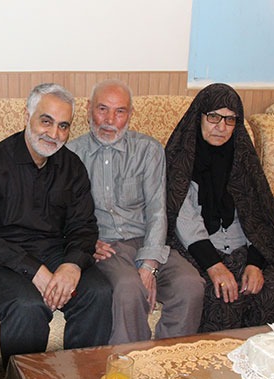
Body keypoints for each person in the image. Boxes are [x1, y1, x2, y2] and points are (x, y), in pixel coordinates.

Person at [0, 83, 112, 367]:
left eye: (63, 126)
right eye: (46, 121)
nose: (54, 134)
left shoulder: (72, 166)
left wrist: (72, 265)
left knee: (98, 293)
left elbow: (84, 226)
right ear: (27, 116)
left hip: (53, 252)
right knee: (28, 306)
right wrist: (34, 270)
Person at [67, 79, 205, 344]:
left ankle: (169, 360)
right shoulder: (71, 155)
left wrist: (150, 264)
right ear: (88, 109)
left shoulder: (149, 150)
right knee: (128, 289)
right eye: (102, 109)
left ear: (131, 114)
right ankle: (130, 363)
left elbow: (157, 210)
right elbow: (63, 215)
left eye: (120, 111)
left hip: (146, 240)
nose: (110, 120)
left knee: (190, 285)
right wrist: (85, 242)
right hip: (106, 247)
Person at [165, 83, 274, 332]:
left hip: (243, 251)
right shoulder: (181, 161)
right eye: (213, 117)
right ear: (199, 117)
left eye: (230, 119)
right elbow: (186, 222)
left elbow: (258, 217)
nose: (221, 127)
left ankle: (268, 354)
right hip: (199, 252)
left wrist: (255, 264)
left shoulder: (243, 161)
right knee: (222, 294)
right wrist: (215, 266)